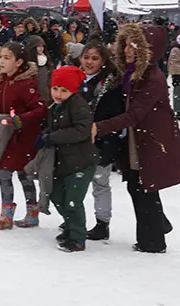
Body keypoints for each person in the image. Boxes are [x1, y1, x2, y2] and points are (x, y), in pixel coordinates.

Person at [91, 23, 180, 254]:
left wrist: (100, 127)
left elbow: (134, 114)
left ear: (148, 49)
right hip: (138, 140)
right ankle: (158, 225)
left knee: (144, 188)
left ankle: (152, 242)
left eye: (133, 46)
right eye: (125, 45)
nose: (127, 50)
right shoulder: (132, 72)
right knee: (139, 186)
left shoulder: (151, 78)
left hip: (152, 141)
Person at [0, 42, 47, 230]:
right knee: (10, 173)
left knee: (21, 174)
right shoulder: (3, 82)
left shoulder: (27, 84)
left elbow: (40, 110)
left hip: (24, 139)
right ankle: (13, 213)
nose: (1, 61)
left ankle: (27, 213)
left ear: (19, 62)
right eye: (1, 56)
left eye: (7, 57)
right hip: (8, 138)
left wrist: (21, 120)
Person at [34, 65, 97, 252]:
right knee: (57, 195)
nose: (58, 94)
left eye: (64, 90)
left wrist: (52, 137)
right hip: (63, 162)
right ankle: (70, 227)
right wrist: (44, 134)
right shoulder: (55, 106)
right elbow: (52, 126)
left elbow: (81, 130)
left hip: (81, 163)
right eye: (55, 89)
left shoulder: (78, 106)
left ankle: (78, 238)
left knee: (73, 200)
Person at [76, 40, 123, 242]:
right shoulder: (75, 79)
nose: (89, 62)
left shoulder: (110, 85)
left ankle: (102, 222)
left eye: (94, 58)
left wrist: (104, 135)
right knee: (74, 181)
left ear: (103, 61)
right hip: (76, 141)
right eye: (86, 57)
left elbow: (114, 115)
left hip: (100, 141)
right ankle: (73, 216)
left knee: (99, 183)